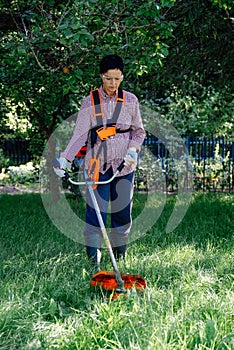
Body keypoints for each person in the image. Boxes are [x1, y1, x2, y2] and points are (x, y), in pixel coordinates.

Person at [54, 54, 145, 267]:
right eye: (108, 78)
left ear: (122, 77)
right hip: (97, 167)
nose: (113, 84)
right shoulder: (90, 102)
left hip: (124, 167)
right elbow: (79, 135)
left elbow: (139, 132)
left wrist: (133, 150)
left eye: (117, 78)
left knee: (122, 213)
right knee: (96, 214)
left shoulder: (130, 100)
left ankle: (120, 258)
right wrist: (64, 160)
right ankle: (93, 262)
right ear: (101, 77)